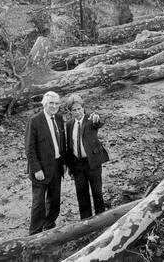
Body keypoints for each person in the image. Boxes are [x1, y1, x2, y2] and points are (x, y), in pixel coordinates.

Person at [25, 91, 65, 235]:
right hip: (40, 169)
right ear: (44, 104)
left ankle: (49, 226)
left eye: (56, 103)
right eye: (51, 103)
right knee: (38, 204)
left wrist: (63, 163)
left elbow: (62, 143)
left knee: (55, 200)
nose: (54, 106)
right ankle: (35, 233)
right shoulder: (35, 120)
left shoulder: (59, 118)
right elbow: (29, 148)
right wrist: (36, 169)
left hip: (56, 166)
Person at [65, 94, 109, 219]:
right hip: (77, 165)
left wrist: (98, 118)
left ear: (83, 108)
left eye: (79, 109)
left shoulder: (91, 120)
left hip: (92, 163)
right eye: (74, 110)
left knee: (97, 192)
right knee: (81, 194)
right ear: (70, 112)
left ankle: (101, 220)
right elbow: (69, 146)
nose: (77, 112)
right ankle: (86, 222)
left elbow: (99, 122)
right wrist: (70, 168)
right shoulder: (69, 125)